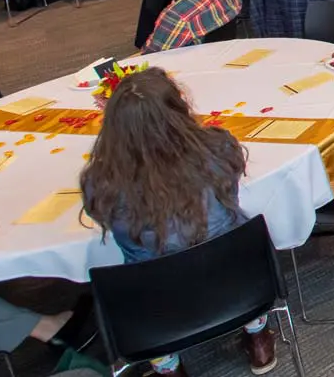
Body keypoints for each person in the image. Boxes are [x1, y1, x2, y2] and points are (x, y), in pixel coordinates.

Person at [80, 68, 279, 375]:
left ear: (114, 126)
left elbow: (102, 216)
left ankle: (169, 367)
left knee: (143, 279)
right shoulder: (218, 146)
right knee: (234, 241)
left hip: (159, 306)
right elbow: (230, 186)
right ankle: (259, 340)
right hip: (240, 282)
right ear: (179, 108)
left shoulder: (100, 182)